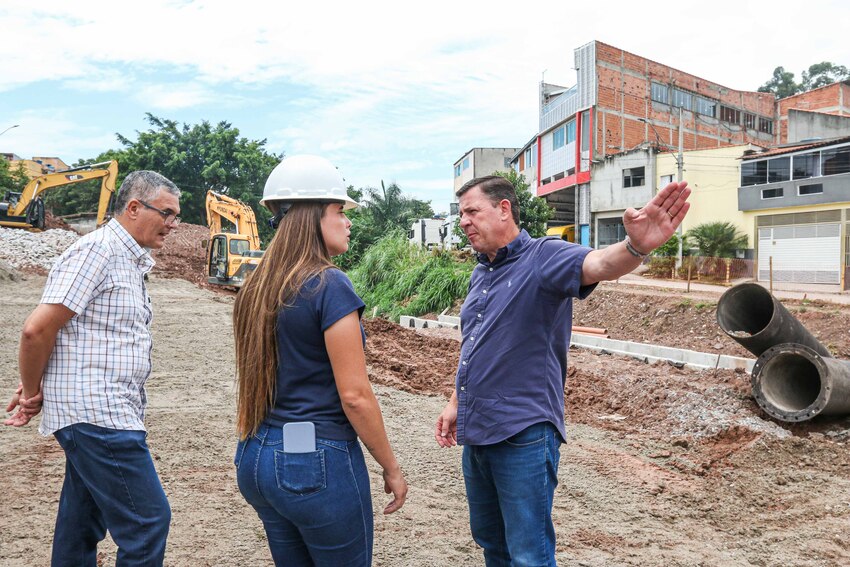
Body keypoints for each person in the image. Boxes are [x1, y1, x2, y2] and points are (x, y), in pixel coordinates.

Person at [435, 175, 691, 566]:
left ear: (504, 209)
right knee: (492, 542)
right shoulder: (480, 273)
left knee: (528, 553)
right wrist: (456, 401)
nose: (464, 222)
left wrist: (635, 245)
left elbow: (599, 264)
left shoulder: (544, 256)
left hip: (523, 432)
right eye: (462, 214)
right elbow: (475, 344)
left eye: (472, 211)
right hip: (479, 431)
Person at [232, 154, 407, 566]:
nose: (348, 221)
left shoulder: (256, 287)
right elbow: (355, 395)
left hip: (256, 454)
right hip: (314, 464)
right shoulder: (330, 284)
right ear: (312, 216)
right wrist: (391, 467)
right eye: (340, 211)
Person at [4, 171, 182, 566]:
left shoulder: (128, 259)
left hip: (98, 410)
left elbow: (75, 335)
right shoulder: (97, 252)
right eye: (167, 214)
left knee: (81, 522)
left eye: (176, 217)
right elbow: (37, 329)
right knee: (147, 521)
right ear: (134, 208)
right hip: (99, 415)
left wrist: (37, 385)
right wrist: (32, 391)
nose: (173, 225)